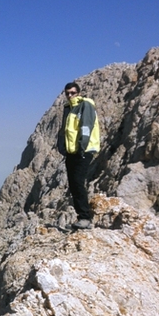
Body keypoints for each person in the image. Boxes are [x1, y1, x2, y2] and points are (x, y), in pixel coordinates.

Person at [57, 81, 101, 230]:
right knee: (73, 185)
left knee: (77, 182)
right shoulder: (68, 108)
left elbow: (86, 127)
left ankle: (85, 218)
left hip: (84, 150)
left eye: (72, 93)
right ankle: (81, 218)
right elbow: (65, 130)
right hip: (72, 152)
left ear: (78, 93)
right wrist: (62, 147)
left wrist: (82, 147)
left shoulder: (85, 105)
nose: (70, 95)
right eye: (67, 93)